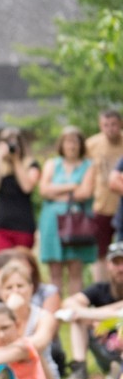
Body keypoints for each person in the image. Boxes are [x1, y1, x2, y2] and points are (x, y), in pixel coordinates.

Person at [38, 125, 95, 298]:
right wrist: (71, 187)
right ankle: (54, 312)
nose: (71, 146)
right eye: (68, 141)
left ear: (81, 144)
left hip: (77, 223)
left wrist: (55, 193)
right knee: (54, 270)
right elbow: (43, 190)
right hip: (52, 222)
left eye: (75, 141)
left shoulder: (89, 165)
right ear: (61, 144)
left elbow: (85, 193)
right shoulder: (51, 164)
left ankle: (74, 312)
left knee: (75, 269)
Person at [58, 240, 123, 379]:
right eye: (116, 263)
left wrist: (103, 319)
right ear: (108, 265)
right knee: (79, 319)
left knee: (81, 316)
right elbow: (68, 303)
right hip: (105, 347)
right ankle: (79, 368)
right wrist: (102, 317)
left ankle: (117, 370)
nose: (121, 268)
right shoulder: (100, 289)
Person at [0, 127, 40, 253]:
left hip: (23, 226)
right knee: (1, 263)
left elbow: (27, 188)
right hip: (1, 225)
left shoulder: (30, 164)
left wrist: (15, 161)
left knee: (22, 263)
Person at [86, 110, 123, 281]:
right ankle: (102, 289)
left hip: (120, 206)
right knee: (101, 253)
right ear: (100, 126)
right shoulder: (91, 144)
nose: (110, 129)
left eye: (114, 124)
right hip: (101, 206)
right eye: (106, 125)